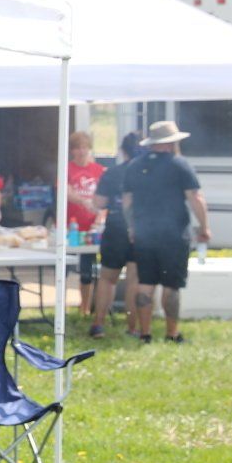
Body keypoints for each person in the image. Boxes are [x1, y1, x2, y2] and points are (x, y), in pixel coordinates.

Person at [122, 120, 211, 344]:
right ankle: (172, 333)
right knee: (172, 285)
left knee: (145, 283)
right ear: (172, 143)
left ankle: (145, 333)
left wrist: (131, 227)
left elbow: (126, 201)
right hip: (174, 233)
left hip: (144, 232)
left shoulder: (134, 165)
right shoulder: (180, 165)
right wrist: (204, 226)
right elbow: (195, 198)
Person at [89, 132, 143, 338]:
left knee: (107, 279)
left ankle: (98, 324)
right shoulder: (146, 172)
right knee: (134, 280)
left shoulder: (112, 173)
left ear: (123, 151)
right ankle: (132, 327)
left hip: (115, 228)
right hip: (140, 229)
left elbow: (99, 203)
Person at [65, 130, 106, 284]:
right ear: (71, 150)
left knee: (87, 271)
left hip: (91, 227)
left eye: (85, 147)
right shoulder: (66, 169)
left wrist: (100, 217)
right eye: (77, 147)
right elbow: (66, 192)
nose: (81, 151)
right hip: (71, 226)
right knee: (65, 270)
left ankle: (86, 307)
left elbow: (106, 198)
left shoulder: (99, 170)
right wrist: (84, 201)